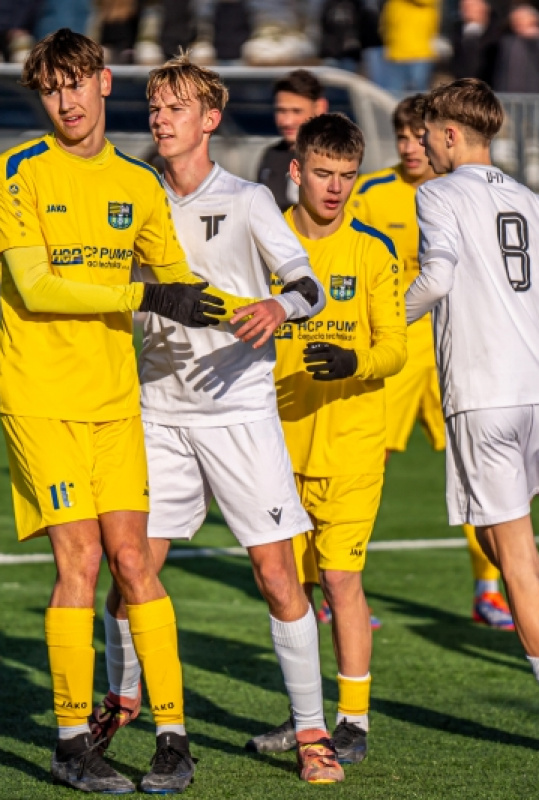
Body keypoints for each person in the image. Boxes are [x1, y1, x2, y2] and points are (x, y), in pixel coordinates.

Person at [0, 28, 246, 794]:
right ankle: (72, 742)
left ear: (105, 83)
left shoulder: (138, 186)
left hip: (114, 405)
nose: (66, 101)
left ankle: (173, 735)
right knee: (79, 561)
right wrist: (143, 293)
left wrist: (267, 310)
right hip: (40, 401)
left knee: (136, 561)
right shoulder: (16, 174)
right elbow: (39, 289)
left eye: (77, 83)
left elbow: (180, 284)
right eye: (51, 89)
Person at [88, 55, 344, 785]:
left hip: (238, 411)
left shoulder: (249, 199)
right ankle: (124, 695)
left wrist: (276, 306)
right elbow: (117, 282)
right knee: (130, 566)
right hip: (158, 411)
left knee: (275, 572)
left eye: (176, 108)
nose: (161, 118)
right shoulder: (133, 194)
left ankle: (311, 730)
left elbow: (307, 285)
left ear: (210, 119)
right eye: (155, 106)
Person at [405, 77, 539, 756]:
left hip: (484, 395)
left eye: (428, 132)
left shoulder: (437, 193)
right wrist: (518, 326)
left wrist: (378, 326)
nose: (422, 143)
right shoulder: (535, 203)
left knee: (509, 558)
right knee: (506, 540)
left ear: (453, 133)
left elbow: (438, 279)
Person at [247, 112, 407, 764]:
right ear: (296, 171)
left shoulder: (373, 250)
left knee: (341, 582)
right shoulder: (267, 242)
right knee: (290, 590)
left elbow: (394, 346)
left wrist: (355, 362)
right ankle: (305, 717)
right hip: (274, 446)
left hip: (350, 445)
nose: (335, 188)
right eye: (323, 174)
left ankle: (354, 722)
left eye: (347, 176)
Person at [347, 94, 515, 630]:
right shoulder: (372, 194)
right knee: (365, 466)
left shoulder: (469, 193)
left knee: (477, 467)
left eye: (418, 136)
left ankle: (489, 589)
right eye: (401, 137)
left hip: (453, 352)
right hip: (394, 351)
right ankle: (339, 585)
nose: (410, 147)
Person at [255, 69, 328, 211]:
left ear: (320, 107)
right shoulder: (271, 155)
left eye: (296, 111)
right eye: (281, 111)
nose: (287, 121)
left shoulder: (335, 156)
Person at [380, 0, 439, 93]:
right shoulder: (429, 5)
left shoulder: (394, 4)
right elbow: (433, 29)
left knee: (396, 96)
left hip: (403, 54)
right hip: (417, 54)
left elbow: (385, 27)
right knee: (418, 97)